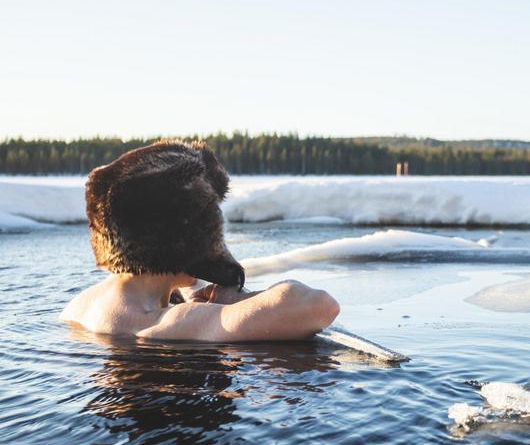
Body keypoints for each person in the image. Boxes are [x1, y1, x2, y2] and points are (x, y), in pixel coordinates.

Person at [61, 140, 339, 342]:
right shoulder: (166, 323)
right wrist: (236, 299)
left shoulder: (83, 304)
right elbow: (318, 305)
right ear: (188, 241)